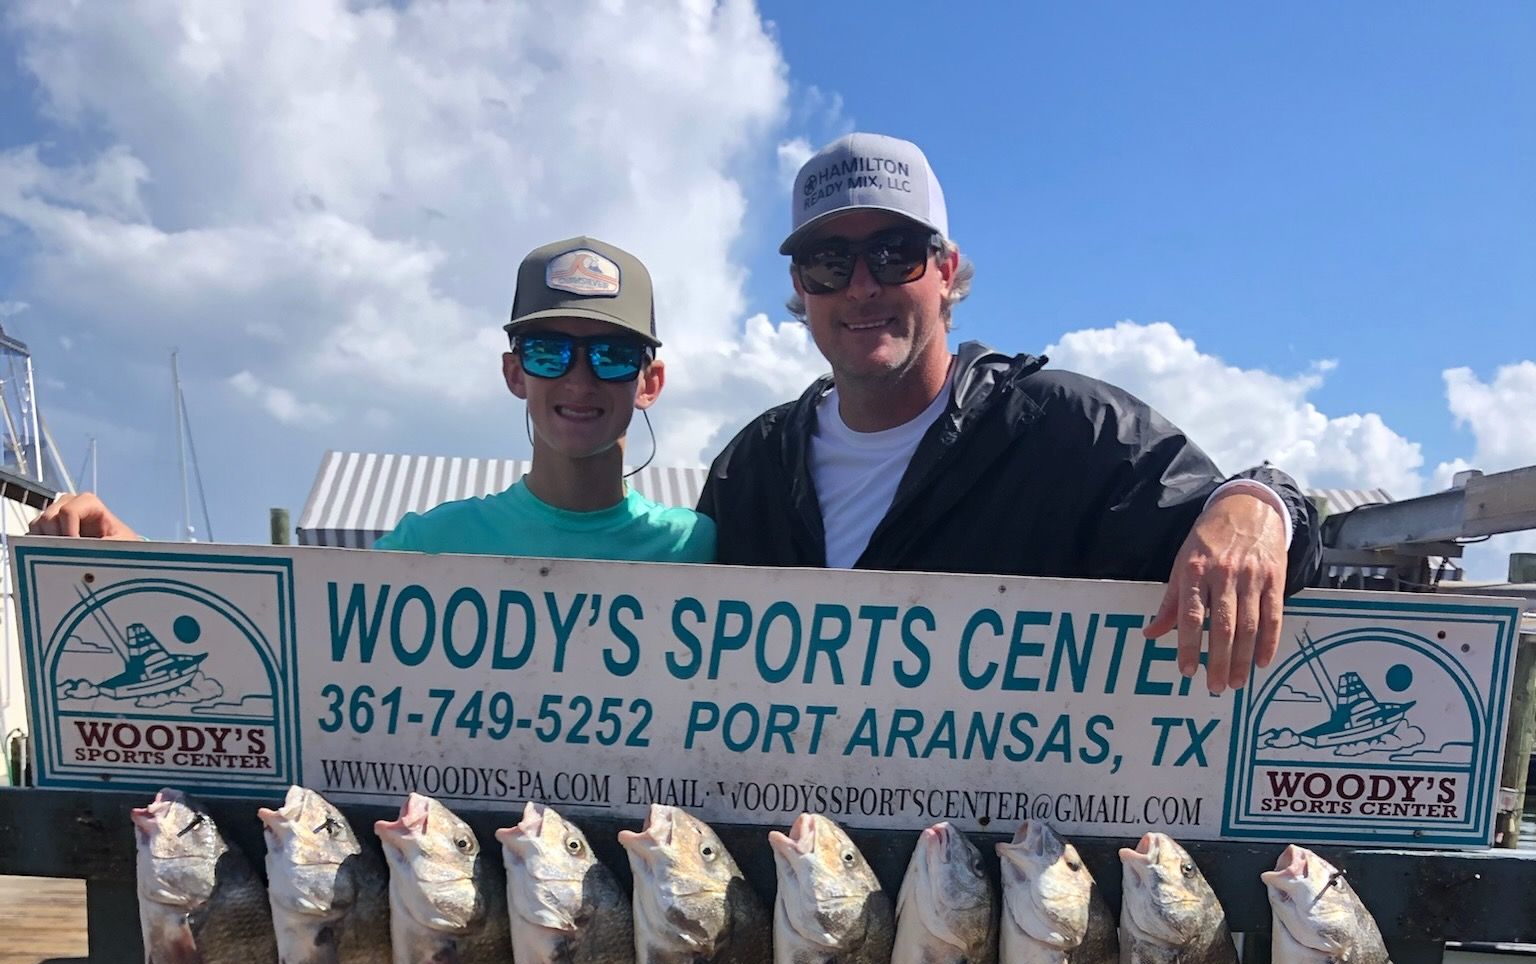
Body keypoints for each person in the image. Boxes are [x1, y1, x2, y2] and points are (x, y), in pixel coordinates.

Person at [699, 133, 1321, 692]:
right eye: (829, 263)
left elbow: (1255, 542)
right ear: (801, 287)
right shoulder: (752, 467)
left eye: (894, 254)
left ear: (945, 271)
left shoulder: (1070, 431)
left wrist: (1257, 507)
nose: (862, 286)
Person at [31, 236, 714, 566]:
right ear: (514, 372)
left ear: (649, 382)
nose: (579, 379)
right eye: (548, 351)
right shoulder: (430, 543)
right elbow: (282, 635)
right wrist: (125, 551)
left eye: (613, 354)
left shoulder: (700, 547)